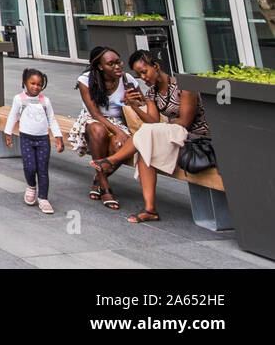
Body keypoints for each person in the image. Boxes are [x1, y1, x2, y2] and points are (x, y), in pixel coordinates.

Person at [91, 50, 213, 224]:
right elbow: (153, 121)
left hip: (195, 138)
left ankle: (111, 160)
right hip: (173, 137)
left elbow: (185, 121)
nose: (143, 78)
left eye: (144, 71)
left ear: (156, 66)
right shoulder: (152, 93)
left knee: (147, 134)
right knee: (145, 149)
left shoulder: (185, 86)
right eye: (139, 74)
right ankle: (150, 210)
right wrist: (134, 106)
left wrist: (159, 128)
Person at [68, 46, 132, 210]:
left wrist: (136, 102)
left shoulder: (128, 80)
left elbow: (141, 107)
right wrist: (117, 132)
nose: (117, 66)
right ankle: (104, 186)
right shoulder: (86, 80)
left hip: (119, 121)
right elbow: (95, 114)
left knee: (122, 146)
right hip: (92, 119)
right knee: (99, 130)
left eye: (119, 62)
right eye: (111, 64)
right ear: (100, 66)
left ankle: (98, 177)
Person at [4, 68, 64, 214]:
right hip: (26, 139)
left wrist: (58, 137)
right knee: (30, 167)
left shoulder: (45, 101)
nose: (36, 87)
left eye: (39, 84)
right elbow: (13, 116)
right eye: (33, 83)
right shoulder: (20, 99)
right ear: (25, 83)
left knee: (43, 170)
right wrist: (8, 132)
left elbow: (51, 119)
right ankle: (31, 186)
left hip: (43, 140)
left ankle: (43, 198)